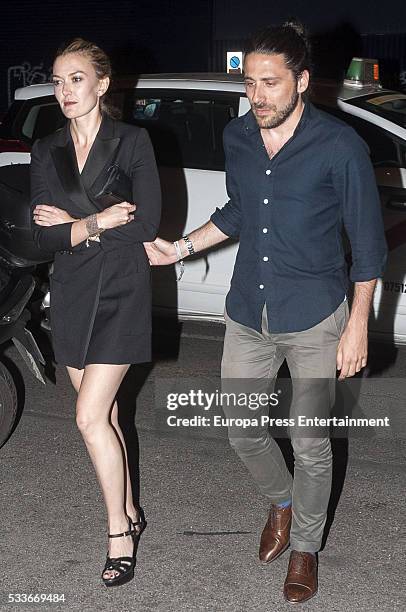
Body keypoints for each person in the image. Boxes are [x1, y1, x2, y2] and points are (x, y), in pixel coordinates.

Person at [144, 22, 387, 603]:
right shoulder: (239, 137)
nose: (258, 96)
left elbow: (369, 244)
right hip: (248, 308)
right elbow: (238, 211)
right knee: (243, 433)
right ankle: (281, 503)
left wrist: (358, 325)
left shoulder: (340, 147)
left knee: (310, 441)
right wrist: (179, 248)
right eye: (250, 83)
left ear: (301, 81)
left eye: (270, 83)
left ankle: (305, 546)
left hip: (314, 315)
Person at [31, 38, 161, 587]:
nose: (65, 91)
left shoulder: (133, 141)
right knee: (103, 418)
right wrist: (102, 221)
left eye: (76, 79)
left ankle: (117, 533)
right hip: (74, 291)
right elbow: (42, 234)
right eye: (58, 81)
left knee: (88, 417)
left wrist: (77, 224)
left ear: (102, 84)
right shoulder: (46, 149)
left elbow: (147, 223)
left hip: (122, 292)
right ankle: (130, 509)